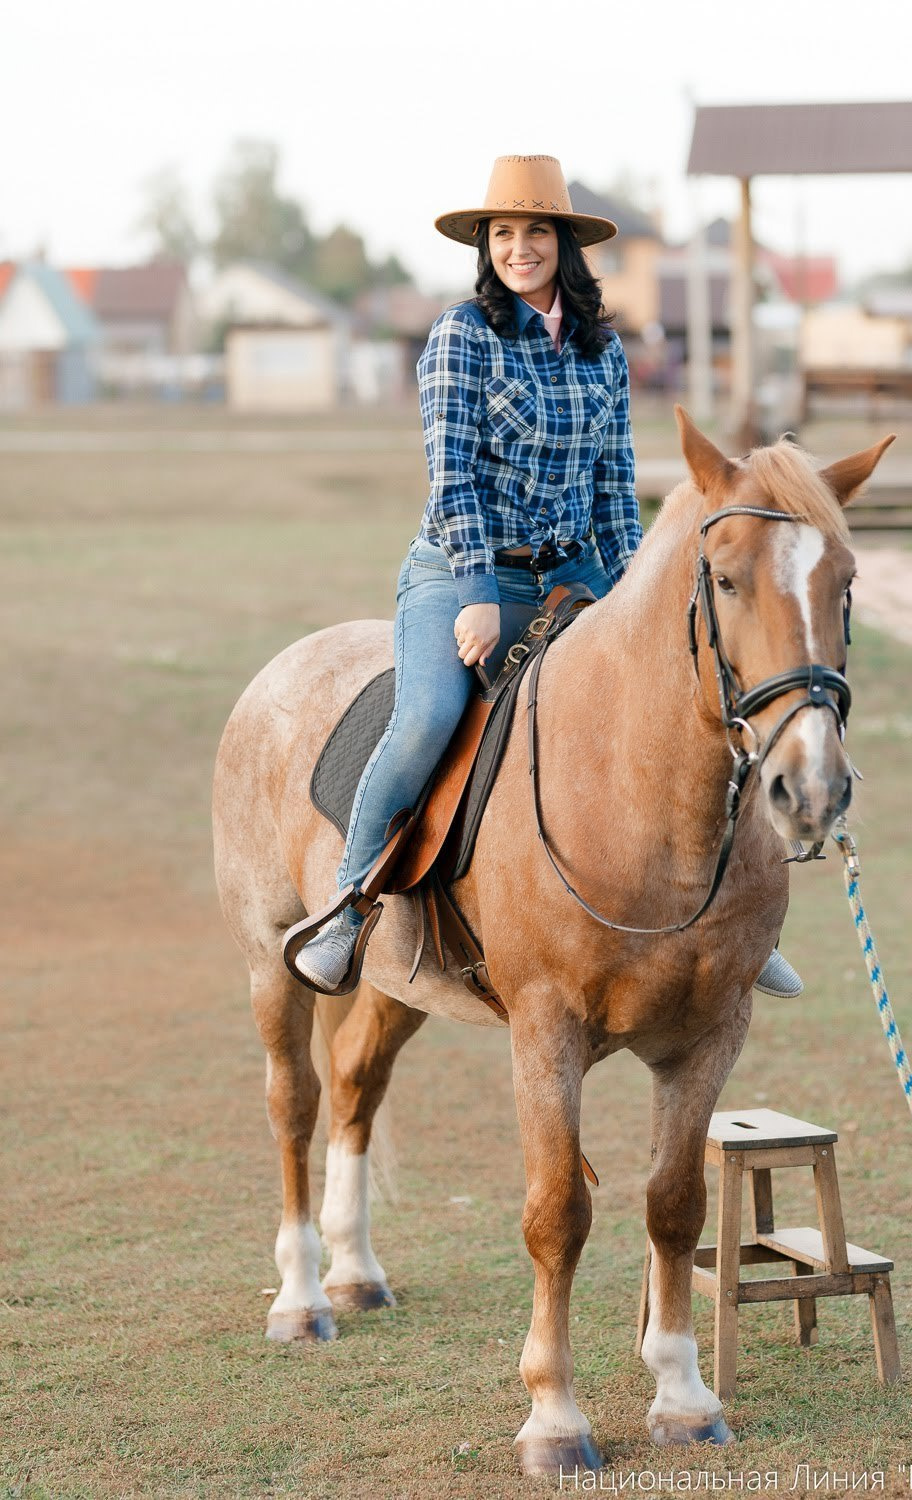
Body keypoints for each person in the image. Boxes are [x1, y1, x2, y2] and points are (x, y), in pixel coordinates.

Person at [290, 155, 802, 1001]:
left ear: (564, 245)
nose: (517, 248)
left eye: (534, 232)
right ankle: (348, 903)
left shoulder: (603, 352)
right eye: (502, 234)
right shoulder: (461, 335)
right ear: (485, 247)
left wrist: (637, 594)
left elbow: (611, 485)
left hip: (575, 577)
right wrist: (482, 595)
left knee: (689, 709)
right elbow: (451, 477)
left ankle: (736, 920)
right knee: (426, 718)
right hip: (460, 574)